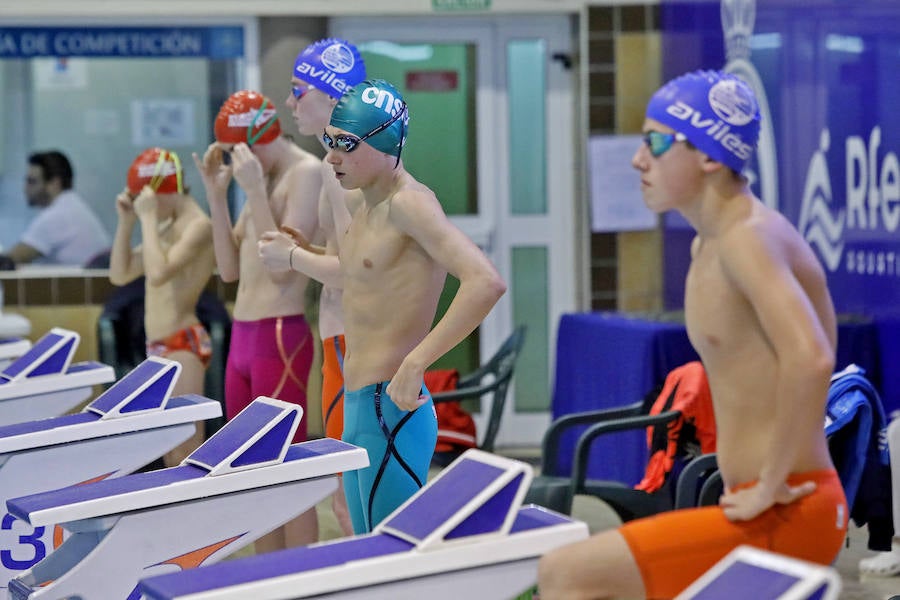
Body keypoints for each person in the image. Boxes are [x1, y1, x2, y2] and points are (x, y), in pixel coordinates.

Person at [538, 70, 848, 599]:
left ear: (709, 155)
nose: (638, 159)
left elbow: (813, 357)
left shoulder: (747, 238)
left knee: (568, 573)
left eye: (656, 142)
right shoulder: (710, 243)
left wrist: (771, 482)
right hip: (754, 500)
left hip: (786, 508)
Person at [259, 78, 506, 534]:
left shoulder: (410, 205)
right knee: (363, 548)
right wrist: (294, 256)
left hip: (391, 409)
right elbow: (353, 277)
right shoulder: (364, 205)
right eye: (330, 142)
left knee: (389, 562)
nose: (332, 156)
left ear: (387, 143)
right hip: (358, 404)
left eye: (346, 144)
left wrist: (417, 363)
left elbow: (485, 282)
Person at [193, 89, 321, 551]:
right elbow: (228, 270)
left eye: (238, 150)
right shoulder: (261, 180)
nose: (238, 160)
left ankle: (304, 579)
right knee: (248, 473)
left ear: (258, 139)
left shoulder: (305, 173)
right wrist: (218, 194)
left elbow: (281, 263)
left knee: (287, 472)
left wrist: (251, 189)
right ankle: (266, 580)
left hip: (279, 338)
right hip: (242, 337)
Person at [257, 37, 367, 537]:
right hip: (341, 345)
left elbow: (356, 273)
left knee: (352, 504)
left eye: (297, 90)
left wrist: (294, 257)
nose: (288, 103)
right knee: (350, 500)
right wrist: (307, 250)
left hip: (354, 347)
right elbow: (351, 259)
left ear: (331, 96)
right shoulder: (338, 162)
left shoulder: (342, 166)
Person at [108, 147, 216, 466]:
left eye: (148, 200)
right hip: (158, 348)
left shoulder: (198, 225)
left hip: (183, 345)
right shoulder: (166, 228)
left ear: (161, 191)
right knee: (168, 450)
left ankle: (199, 516)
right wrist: (127, 223)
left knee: (185, 449)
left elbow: (156, 274)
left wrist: (148, 219)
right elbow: (119, 274)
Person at [2, 150, 110, 267]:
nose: (25, 188)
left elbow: (11, 259)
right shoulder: (71, 205)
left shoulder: (58, 215)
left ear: (54, 183)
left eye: (31, 182)